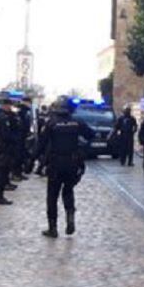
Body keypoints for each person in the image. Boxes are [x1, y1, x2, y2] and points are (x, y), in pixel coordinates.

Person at [38, 96, 95, 237]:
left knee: (52, 195)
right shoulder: (77, 122)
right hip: (72, 163)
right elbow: (91, 135)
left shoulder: (51, 123)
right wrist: (82, 150)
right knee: (68, 191)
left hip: (56, 163)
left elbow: (40, 144)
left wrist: (31, 161)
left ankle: (53, 228)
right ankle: (70, 216)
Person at [0, 98, 20, 205]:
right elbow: (6, 135)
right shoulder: (3, 118)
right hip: (4, 148)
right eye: (9, 105)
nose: (10, 107)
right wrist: (15, 139)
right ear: (5, 105)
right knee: (2, 172)